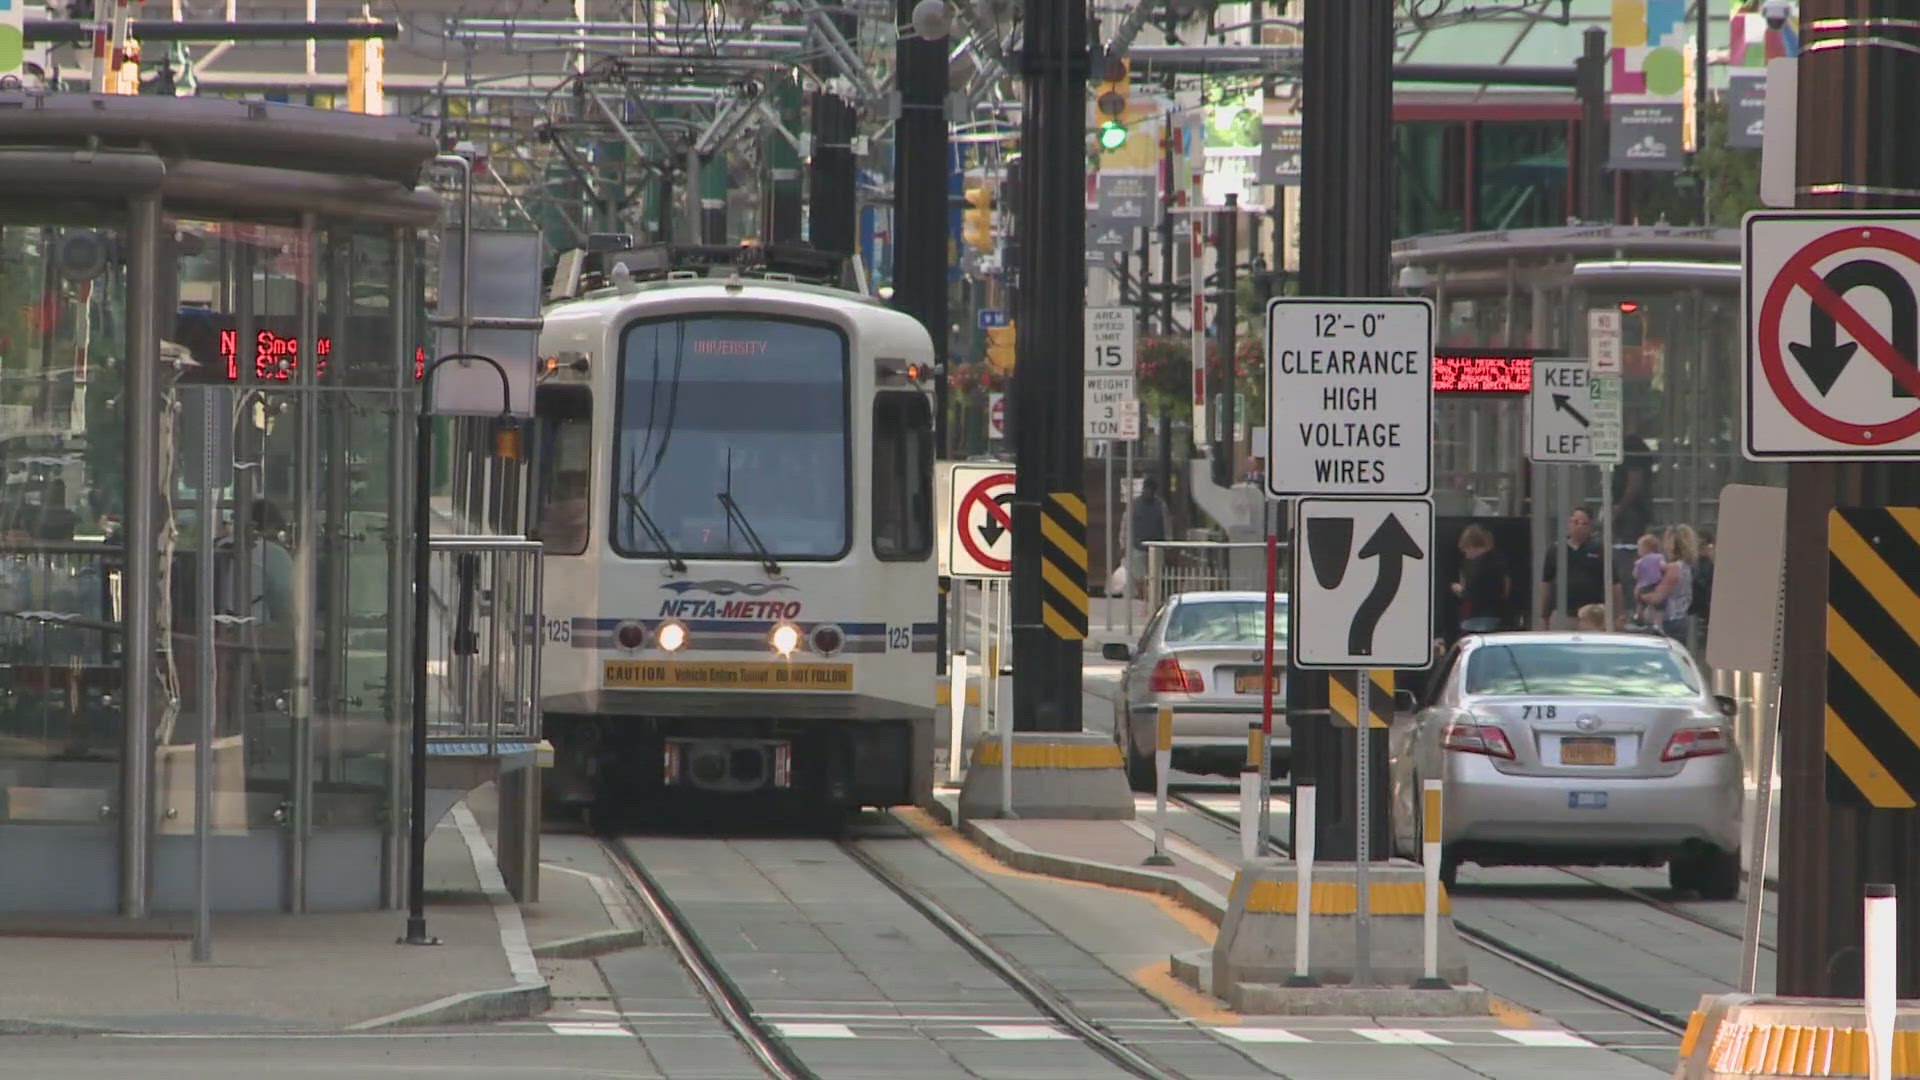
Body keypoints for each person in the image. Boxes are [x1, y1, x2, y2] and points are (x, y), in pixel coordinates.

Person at [1539, 506, 1616, 628]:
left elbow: (1614, 583)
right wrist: (1543, 615)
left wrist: (1618, 615)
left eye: (1584, 524)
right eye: (1575, 522)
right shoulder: (1555, 550)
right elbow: (1546, 583)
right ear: (1569, 523)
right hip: (1563, 615)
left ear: (1590, 527)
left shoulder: (1600, 549)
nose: (1579, 527)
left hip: (1593, 617)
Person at [1639, 524, 1699, 656]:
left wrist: (1642, 594)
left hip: (1669, 622)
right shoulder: (1687, 567)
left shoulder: (1673, 568)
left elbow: (1657, 598)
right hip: (1680, 618)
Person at [1451, 524, 1509, 634]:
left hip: (1473, 618)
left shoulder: (1470, 566)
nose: (1466, 555)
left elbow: (1469, 592)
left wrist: (1457, 589)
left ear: (1470, 546)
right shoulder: (1499, 561)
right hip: (1495, 616)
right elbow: (1506, 589)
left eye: (1465, 551)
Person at [1611, 435, 1655, 544]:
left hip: (1632, 512)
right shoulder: (1631, 452)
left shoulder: (1631, 451)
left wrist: (1618, 509)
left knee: (1628, 546)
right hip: (1635, 510)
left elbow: (1634, 485)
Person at [1129, 475, 1167, 597]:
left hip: (1156, 547)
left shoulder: (1161, 505)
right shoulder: (1134, 504)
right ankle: (1143, 597)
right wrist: (1123, 543)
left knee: (1155, 577)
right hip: (1138, 546)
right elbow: (1126, 524)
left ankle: (1151, 598)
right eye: (1146, 489)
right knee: (1139, 577)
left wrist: (1168, 542)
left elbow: (1166, 524)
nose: (1147, 492)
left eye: (1150, 490)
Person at [1632, 533, 1666, 628]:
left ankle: (1639, 615)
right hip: (1656, 584)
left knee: (1641, 602)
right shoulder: (1659, 557)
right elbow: (1663, 567)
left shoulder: (1640, 561)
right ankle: (1657, 623)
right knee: (1660, 606)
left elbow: (1635, 574)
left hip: (1643, 586)